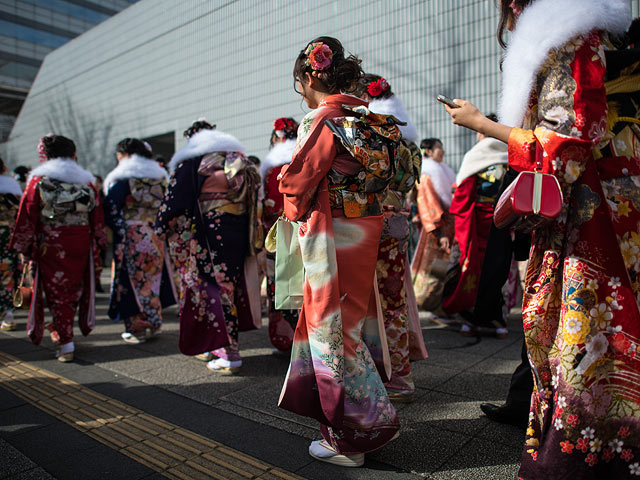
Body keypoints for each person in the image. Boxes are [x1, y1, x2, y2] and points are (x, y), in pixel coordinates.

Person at [444, 0, 637, 477]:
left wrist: (482, 125)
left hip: (590, 211)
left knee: (584, 330)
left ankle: (584, 456)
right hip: (624, 192)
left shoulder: (566, 41)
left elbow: (565, 147)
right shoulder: (607, 38)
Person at [278, 36, 400, 467]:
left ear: (311, 77)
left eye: (300, 83)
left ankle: (354, 435)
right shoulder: (365, 118)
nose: (302, 92)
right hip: (362, 227)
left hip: (330, 233)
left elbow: (295, 184)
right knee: (346, 321)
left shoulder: (325, 118)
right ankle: (358, 423)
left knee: (330, 327)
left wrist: (290, 206)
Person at [156, 119, 262, 374]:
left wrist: (161, 227)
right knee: (228, 286)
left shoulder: (193, 162)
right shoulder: (240, 161)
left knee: (214, 288)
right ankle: (212, 345)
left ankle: (229, 353)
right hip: (237, 229)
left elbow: (175, 201)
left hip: (208, 232)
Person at [354, 74, 428, 403]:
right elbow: (411, 182)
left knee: (369, 302)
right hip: (398, 224)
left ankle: (387, 374)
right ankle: (400, 374)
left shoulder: (371, 138)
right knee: (394, 302)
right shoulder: (408, 143)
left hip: (371, 222)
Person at [10, 135, 106, 361]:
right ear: (73, 154)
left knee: (57, 293)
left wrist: (23, 247)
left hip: (51, 243)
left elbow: (28, 213)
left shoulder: (39, 180)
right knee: (74, 289)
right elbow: (97, 215)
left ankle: (65, 342)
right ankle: (62, 330)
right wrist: (100, 241)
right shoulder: (87, 182)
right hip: (81, 240)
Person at [440, 114, 508, 335]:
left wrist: (456, 226)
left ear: (481, 129)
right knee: (497, 269)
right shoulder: (510, 153)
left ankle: (471, 318)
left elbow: (462, 196)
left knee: (471, 268)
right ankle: (497, 319)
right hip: (504, 220)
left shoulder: (477, 154)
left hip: (476, 222)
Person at [103, 138, 175, 344]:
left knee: (131, 279)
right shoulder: (160, 177)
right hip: (155, 233)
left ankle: (137, 326)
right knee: (152, 278)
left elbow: (112, 207)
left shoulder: (124, 177)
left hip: (132, 233)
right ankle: (155, 321)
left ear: (124, 155)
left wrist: (119, 231)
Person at [261, 117, 300, 353]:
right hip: (303, 230)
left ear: (277, 138)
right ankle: (303, 337)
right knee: (301, 284)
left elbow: (265, 207)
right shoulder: (302, 162)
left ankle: (284, 339)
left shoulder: (271, 168)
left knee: (280, 286)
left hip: (276, 234)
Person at [410, 138, 455, 313]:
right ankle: (432, 305)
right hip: (437, 229)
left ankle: (440, 306)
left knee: (442, 269)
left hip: (447, 226)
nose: (442, 151)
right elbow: (428, 203)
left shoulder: (442, 170)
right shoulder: (427, 174)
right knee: (433, 269)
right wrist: (440, 229)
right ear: (427, 151)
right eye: (438, 148)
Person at [0, 156, 22, 331]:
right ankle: (8, 313)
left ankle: (7, 313)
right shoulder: (12, 189)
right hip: (9, 236)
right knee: (7, 274)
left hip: (8, 236)